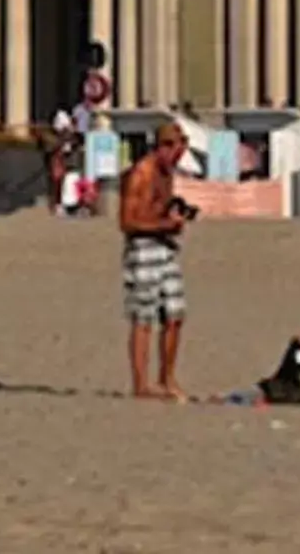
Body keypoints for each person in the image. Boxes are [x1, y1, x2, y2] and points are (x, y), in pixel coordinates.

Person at [119, 121, 193, 400]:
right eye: (175, 148)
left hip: (166, 247)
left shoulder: (167, 172)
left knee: (175, 314)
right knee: (143, 317)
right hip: (143, 248)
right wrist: (165, 224)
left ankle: (167, 378)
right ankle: (141, 384)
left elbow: (159, 207)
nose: (179, 155)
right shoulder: (141, 174)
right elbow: (127, 221)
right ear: (162, 147)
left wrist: (175, 215)